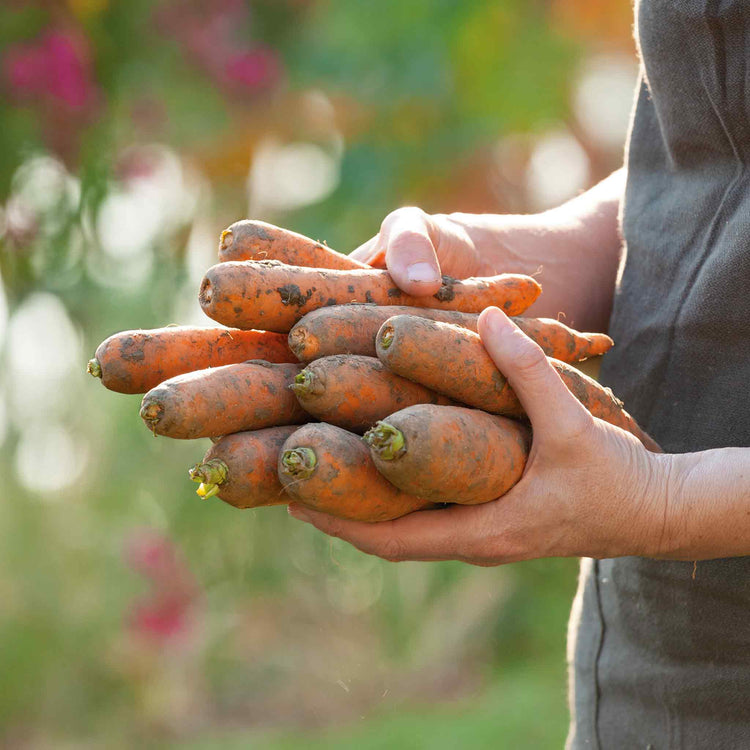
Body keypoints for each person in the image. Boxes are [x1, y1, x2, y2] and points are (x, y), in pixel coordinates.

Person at [288, 1, 750, 747]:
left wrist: (664, 502)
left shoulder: (656, 504)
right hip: (648, 680)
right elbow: (711, 155)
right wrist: (526, 258)